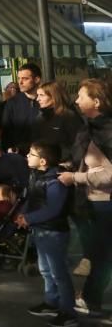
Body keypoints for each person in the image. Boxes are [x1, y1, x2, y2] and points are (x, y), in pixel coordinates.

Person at [58, 78, 112, 318]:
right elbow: (82, 159)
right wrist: (66, 166)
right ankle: (92, 298)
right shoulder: (88, 128)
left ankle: (92, 299)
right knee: (100, 253)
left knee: (102, 255)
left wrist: (76, 178)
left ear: (97, 101)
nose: (76, 100)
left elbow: (109, 174)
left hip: (105, 203)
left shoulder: (107, 130)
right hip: (93, 202)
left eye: (81, 96)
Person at [17, 142, 75, 326]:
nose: (27, 155)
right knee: (45, 270)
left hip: (54, 232)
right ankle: (51, 302)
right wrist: (24, 215)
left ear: (42, 161)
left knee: (59, 273)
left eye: (31, 154)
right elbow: (32, 199)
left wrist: (29, 218)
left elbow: (54, 209)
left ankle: (68, 312)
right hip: (41, 230)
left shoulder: (55, 181)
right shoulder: (36, 175)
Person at [32, 81, 83, 164]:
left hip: (65, 166)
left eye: (41, 95)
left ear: (54, 97)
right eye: (37, 95)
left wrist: (71, 162)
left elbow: (79, 144)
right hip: (44, 165)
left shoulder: (69, 117)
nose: (37, 99)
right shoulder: (40, 117)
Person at [2, 63, 42, 155]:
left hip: (43, 156)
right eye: (19, 78)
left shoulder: (46, 101)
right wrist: (9, 149)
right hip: (19, 156)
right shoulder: (12, 103)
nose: (20, 82)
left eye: (25, 79)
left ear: (36, 79)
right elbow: (6, 132)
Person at [0, 82, 19, 160]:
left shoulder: (25, 107)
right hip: (4, 145)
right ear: (5, 91)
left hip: (22, 146)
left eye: (15, 88)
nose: (13, 90)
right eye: (10, 88)